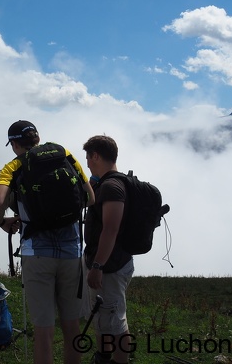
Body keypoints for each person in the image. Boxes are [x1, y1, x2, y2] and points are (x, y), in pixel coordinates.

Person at [0, 120, 94, 364]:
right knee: (71, 327)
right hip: (72, 253)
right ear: (37, 138)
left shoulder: (14, 166)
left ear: (14, 144)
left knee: (44, 331)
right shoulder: (64, 154)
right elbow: (90, 198)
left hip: (36, 254)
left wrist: (1, 222)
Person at [82, 135, 134, 364]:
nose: (86, 163)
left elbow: (110, 229)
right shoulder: (107, 184)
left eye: (88, 157)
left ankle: (120, 361)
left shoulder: (112, 187)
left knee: (116, 321)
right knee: (106, 316)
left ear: (96, 156)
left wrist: (97, 266)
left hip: (110, 266)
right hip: (111, 263)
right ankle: (104, 356)